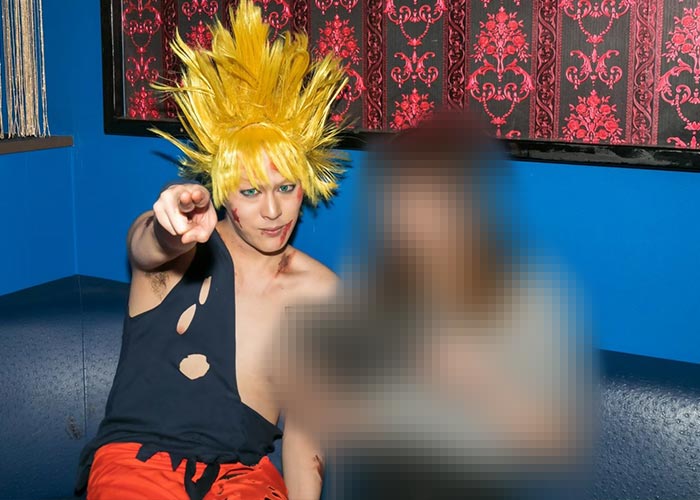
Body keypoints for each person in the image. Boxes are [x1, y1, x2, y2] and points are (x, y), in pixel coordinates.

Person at [76, 1, 348, 498]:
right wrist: (168, 224)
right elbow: (145, 247)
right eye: (251, 191)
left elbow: (308, 433)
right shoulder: (181, 249)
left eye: (286, 187)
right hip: (137, 464)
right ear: (223, 191)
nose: (273, 211)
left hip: (244, 476)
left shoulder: (321, 292)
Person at [278, 111, 594, 500]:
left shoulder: (527, 291)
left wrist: (484, 383)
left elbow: (557, 443)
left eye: (427, 199)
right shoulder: (372, 288)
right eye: (398, 198)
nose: (408, 216)